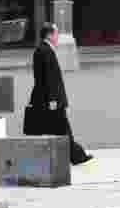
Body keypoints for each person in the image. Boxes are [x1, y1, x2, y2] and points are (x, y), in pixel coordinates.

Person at [23, 22, 93, 165]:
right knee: (59, 129)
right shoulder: (45, 50)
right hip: (50, 100)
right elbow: (49, 78)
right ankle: (76, 156)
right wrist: (54, 100)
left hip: (46, 99)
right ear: (49, 34)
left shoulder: (43, 49)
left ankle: (76, 155)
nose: (58, 36)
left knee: (54, 129)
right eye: (56, 33)